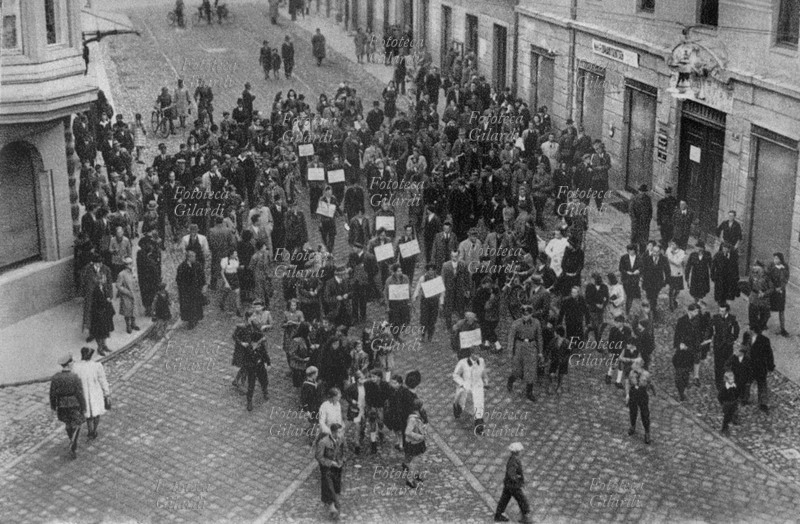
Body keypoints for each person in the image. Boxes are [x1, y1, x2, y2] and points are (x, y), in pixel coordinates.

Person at [50, 354, 87, 459]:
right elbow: (80, 393)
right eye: (72, 362)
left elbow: (52, 394)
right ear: (69, 363)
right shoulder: (74, 377)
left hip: (62, 405)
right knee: (77, 422)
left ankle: (71, 438)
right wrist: (84, 407)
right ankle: (73, 442)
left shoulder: (56, 377)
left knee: (68, 423)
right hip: (74, 404)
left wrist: (53, 406)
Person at [506, 304, 543, 402]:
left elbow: (539, 337)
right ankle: (511, 380)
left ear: (531, 314)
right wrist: (510, 351)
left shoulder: (536, 323)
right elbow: (510, 338)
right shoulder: (516, 323)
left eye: (527, 315)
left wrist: (540, 352)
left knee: (531, 370)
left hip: (531, 347)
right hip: (519, 346)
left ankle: (529, 392)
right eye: (523, 314)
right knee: (517, 370)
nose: (525, 316)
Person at [72, 346, 110, 441]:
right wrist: (106, 393)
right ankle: (94, 431)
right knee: (96, 413)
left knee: (88, 413)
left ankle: (90, 430)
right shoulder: (97, 366)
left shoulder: (76, 366)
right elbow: (102, 380)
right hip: (95, 393)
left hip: (84, 393)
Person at [237, 311, 271, 411]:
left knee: (264, 380)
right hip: (251, 367)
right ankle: (249, 401)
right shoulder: (248, 347)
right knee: (251, 385)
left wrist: (268, 363)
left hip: (260, 365)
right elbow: (246, 358)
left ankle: (265, 391)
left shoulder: (260, 346)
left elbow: (265, 354)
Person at [453, 345, 489, 435]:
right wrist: (462, 383)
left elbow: (484, 373)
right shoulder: (463, 363)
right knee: (462, 403)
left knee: (479, 406)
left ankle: (479, 426)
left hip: (477, 387)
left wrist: (486, 381)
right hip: (466, 388)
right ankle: (457, 409)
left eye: (478, 354)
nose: (477, 356)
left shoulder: (481, 361)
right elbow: (455, 375)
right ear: (471, 354)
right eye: (475, 354)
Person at [493, 442, 531, 523]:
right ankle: (525, 517)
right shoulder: (514, 460)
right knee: (522, 499)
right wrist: (518, 480)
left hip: (508, 484)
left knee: (504, 499)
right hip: (513, 485)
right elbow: (511, 474)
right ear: (517, 452)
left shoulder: (513, 459)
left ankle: (498, 515)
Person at [315, 422, 345, 520]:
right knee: (330, 489)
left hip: (337, 470)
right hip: (327, 470)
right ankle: (335, 508)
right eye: (339, 432)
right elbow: (319, 457)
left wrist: (342, 461)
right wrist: (331, 463)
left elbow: (344, 451)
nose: (341, 434)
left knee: (335, 489)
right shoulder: (323, 442)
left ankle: (332, 509)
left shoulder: (341, 440)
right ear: (333, 432)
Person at [672, 304, 700, 401]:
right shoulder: (682, 321)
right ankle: (680, 391)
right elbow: (677, 335)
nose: (697, 313)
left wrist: (696, 347)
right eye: (695, 311)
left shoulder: (696, 321)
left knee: (687, 372)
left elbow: (697, 336)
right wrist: (679, 344)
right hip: (681, 351)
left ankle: (683, 387)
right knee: (680, 371)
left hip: (690, 351)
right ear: (690, 311)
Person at [711, 302, 740, 393]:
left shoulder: (732, 318)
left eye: (723, 311)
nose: (721, 312)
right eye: (720, 310)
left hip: (728, 345)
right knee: (718, 364)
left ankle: (727, 381)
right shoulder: (715, 318)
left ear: (727, 311)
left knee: (728, 363)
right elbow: (710, 328)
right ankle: (718, 383)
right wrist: (712, 337)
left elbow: (736, 328)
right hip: (718, 344)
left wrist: (733, 338)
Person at [626, 358, 654, 445]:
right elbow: (628, 383)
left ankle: (647, 433)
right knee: (633, 411)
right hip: (633, 393)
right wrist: (627, 395)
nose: (632, 365)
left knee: (645, 414)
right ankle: (632, 426)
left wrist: (653, 391)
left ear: (639, 365)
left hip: (642, 394)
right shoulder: (631, 373)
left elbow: (651, 384)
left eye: (634, 363)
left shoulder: (646, 374)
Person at [747, 328, 775, 413]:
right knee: (747, 382)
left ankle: (763, 403)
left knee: (762, 384)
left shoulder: (764, 340)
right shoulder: (748, 338)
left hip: (760, 367)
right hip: (750, 366)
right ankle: (744, 398)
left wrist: (770, 365)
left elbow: (769, 354)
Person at [176, 250, 206, 329]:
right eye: (193, 257)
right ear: (189, 257)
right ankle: (190, 321)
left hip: (196, 290)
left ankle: (195, 319)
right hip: (186, 291)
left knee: (196, 306)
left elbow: (202, 276)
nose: (195, 258)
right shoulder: (182, 267)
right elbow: (179, 279)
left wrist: (203, 286)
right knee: (189, 307)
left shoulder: (198, 265)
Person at [402, 398, 427, 489]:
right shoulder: (412, 419)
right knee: (415, 461)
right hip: (415, 443)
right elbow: (407, 432)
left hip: (417, 442)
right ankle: (410, 479)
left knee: (415, 460)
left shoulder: (418, 416)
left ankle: (415, 474)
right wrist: (419, 436)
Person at [641, 243, 669, 319]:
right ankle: (649, 311)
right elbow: (643, 270)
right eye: (653, 251)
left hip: (657, 283)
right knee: (649, 296)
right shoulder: (647, 258)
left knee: (654, 297)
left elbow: (667, 271)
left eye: (656, 252)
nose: (654, 253)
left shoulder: (664, 259)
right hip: (648, 282)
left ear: (660, 252)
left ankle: (652, 310)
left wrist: (665, 282)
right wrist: (642, 280)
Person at [767, 252, 790, 336]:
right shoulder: (771, 267)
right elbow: (768, 278)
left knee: (781, 309)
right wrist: (773, 287)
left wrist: (781, 287)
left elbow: (786, 279)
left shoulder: (785, 267)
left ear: (781, 259)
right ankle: (762, 323)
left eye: (777, 258)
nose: (775, 260)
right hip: (772, 291)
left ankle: (782, 328)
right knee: (768, 307)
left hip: (781, 292)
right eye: (774, 258)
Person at [116, 257, 139, 334]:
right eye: (128, 264)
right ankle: (128, 325)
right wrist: (126, 292)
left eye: (131, 263)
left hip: (134, 294)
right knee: (127, 310)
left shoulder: (133, 272)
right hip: (126, 295)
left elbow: (136, 282)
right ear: (125, 265)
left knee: (133, 309)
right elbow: (118, 285)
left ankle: (133, 323)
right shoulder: (121, 274)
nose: (130, 265)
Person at [748, 262, 773, 333]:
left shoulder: (767, 277)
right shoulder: (752, 275)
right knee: (752, 314)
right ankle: (752, 328)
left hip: (764, 299)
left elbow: (771, 288)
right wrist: (752, 294)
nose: (756, 269)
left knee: (765, 315)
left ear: (762, 268)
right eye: (755, 266)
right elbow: (749, 285)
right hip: (754, 297)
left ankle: (761, 327)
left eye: (758, 267)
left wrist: (764, 294)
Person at [618, 245, 641, 314]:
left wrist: (638, 271)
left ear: (635, 250)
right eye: (629, 250)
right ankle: (628, 309)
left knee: (631, 295)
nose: (631, 252)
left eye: (632, 250)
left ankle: (629, 310)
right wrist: (627, 272)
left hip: (635, 279)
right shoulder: (624, 258)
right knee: (629, 294)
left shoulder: (639, 258)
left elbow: (642, 267)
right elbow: (620, 268)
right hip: (626, 279)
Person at [629, 184, 652, 253]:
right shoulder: (634, 199)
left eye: (644, 191)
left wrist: (648, 220)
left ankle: (642, 254)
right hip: (636, 223)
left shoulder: (648, 199)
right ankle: (633, 253)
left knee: (643, 240)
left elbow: (650, 210)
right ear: (639, 191)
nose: (643, 193)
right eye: (641, 191)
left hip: (645, 224)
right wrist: (634, 221)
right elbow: (631, 211)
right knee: (634, 239)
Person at [665, 239, 686, 311]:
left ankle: (674, 299)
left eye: (673, 244)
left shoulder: (682, 252)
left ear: (677, 245)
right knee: (671, 289)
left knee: (677, 289)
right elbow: (665, 258)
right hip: (670, 273)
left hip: (678, 274)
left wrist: (670, 260)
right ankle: (671, 304)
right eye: (671, 244)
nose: (671, 245)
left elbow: (678, 263)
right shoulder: (668, 249)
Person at [718, 370, 739, 436]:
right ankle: (724, 428)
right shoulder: (724, 388)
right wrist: (723, 403)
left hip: (733, 403)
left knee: (731, 415)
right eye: (730, 379)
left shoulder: (734, 386)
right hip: (727, 404)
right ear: (726, 380)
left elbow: (736, 393)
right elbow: (719, 396)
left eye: (733, 379)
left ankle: (728, 424)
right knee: (726, 417)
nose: (732, 381)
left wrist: (736, 400)